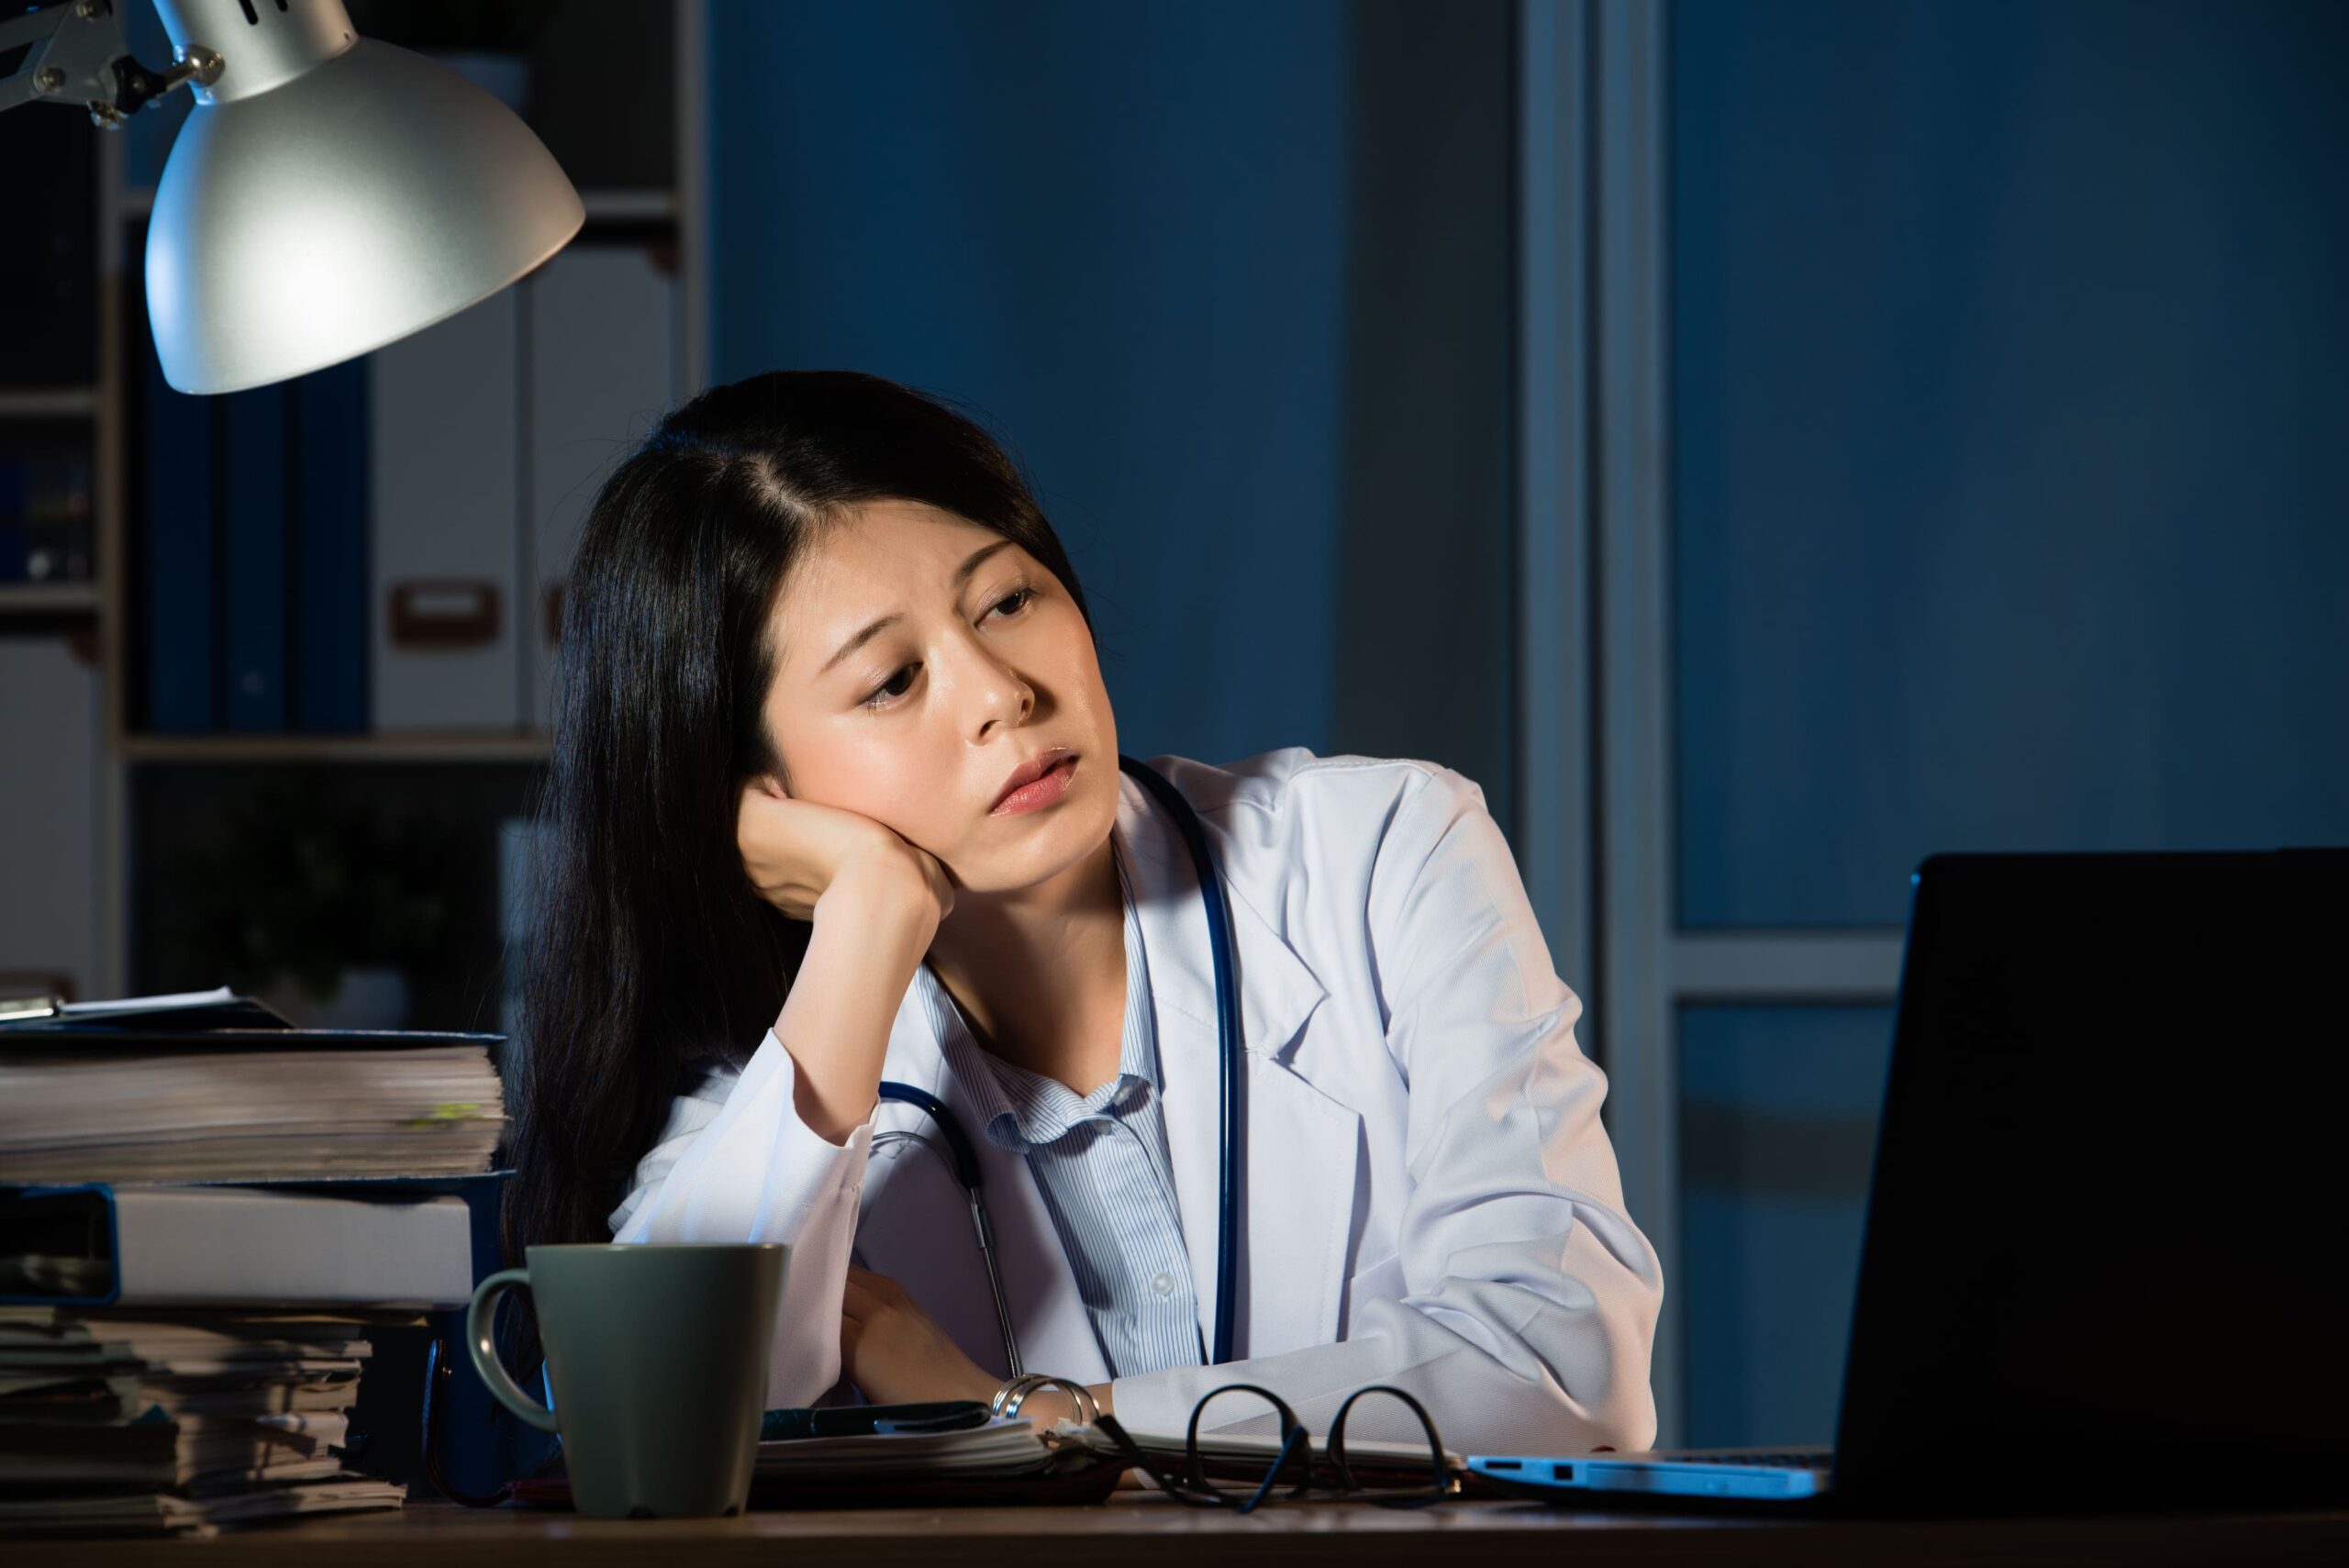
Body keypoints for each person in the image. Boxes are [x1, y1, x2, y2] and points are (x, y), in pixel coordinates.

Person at [503, 370, 1662, 1453]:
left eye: (1006, 599)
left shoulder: (1379, 851)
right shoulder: (776, 1081)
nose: (1003, 694)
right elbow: (652, 1415)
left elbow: (1563, 1370)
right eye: (892, 681)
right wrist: (866, 917)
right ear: (766, 792)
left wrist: (1026, 1419)